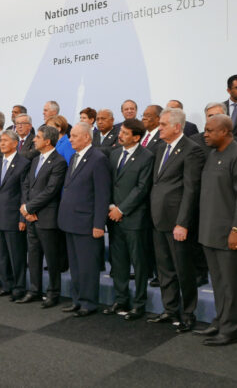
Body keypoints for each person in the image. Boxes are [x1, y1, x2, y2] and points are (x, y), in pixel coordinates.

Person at [194, 114, 237, 345]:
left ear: (225, 132)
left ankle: (230, 330)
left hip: (228, 231)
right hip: (209, 230)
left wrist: (236, 229)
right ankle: (220, 320)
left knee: (230, 283)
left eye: (210, 130)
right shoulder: (213, 153)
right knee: (218, 281)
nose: (205, 134)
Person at [149, 108, 206, 333]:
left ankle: (188, 313)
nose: (159, 128)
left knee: (184, 270)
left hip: (177, 222)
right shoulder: (160, 147)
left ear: (177, 127)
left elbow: (191, 190)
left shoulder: (192, 150)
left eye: (163, 124)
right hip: (158, 218)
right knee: (164, 268)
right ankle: (170, 309)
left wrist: (182, 223)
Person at [58, 122, 112, 317]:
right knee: (75, 265)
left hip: (87, 223)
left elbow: (102, 195)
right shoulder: (74, 157)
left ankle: (88, 303)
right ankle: (77, 300)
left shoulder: (98, 159)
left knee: (87, 266)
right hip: (70, 220)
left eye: (74, 136)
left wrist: (99, 224)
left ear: (87, 138)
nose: (70, 139)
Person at [104, 118, 154, 320]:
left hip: (134, 218)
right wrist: (111, 207)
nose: (120, 135)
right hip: (113, 217)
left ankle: (139, 303)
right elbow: (110, 183)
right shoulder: (115, 153)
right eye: (121, 132)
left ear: (136, 137)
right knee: (118, 262)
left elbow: (141, 188)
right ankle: (121, 299)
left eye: (125, 133)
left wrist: (122, 209)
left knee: (138, 263)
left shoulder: (147, 156)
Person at [20, 125, 67, 308]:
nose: (34, 139)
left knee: (52, 257)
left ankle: (53, 292)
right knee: (33, 256)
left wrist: (30, 207)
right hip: (31, 216)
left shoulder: (59, 161)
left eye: (38, 137)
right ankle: (34, 290)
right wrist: (26, 208)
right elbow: (27, 185)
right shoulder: (35, 160)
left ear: (47, 141)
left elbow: (51, 190)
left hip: (46, 216)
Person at [0, 130, 31, 300]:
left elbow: (24, 194)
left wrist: (22, 218)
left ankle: (19, 288)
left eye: (5, 140)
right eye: (1, 141)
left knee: (16, 256)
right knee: (2, 255)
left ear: (15, 143)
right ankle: (6, 285)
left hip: (14, 217)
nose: (2, 143)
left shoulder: (23, 163)